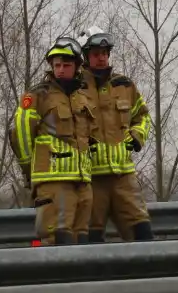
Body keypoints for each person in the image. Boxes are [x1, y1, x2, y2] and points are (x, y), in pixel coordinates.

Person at [10, 36, 96, 245]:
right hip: (53, 182)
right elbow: (20, 132)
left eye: (66, 65)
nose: (60, 69)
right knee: (56, 242)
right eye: (57, 65)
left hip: (82, 183)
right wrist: (29, 169)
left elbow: (90, 138)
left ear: (77, 66)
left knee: (82, 242)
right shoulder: (39, 94)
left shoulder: (82, 98)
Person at [77, 26, 155, 242]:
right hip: (90, 179)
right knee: (89, 242)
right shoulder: (74, 88)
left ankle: (146, 277)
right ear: (85, 56)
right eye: (95, 54)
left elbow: (143, 116)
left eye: (104, 53)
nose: (101, 58)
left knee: (142, 235)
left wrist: (137, 137)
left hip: (124, 178)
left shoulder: (125, 85)